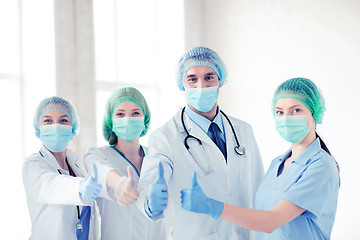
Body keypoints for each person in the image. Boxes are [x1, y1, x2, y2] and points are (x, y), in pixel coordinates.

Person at [180, 77, 340, 240]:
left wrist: (211, 206)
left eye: (296, 110)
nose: (286, 118)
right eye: (280, 112)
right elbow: (259, 220)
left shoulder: (321, 166)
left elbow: (271, 221)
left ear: (314, 112)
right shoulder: (277, 163)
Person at [136, 46, 264, 239]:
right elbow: (151, 181)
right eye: (192, 79)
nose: (201, 85)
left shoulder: (243, 131)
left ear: (220, 80)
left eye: (209, 77)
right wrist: (151, 202)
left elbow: (258, 189)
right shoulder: (165, 137)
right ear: (183, 84)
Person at [83, 87, 170, 240]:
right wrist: (119, 183)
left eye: (135, 113)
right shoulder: (97, 155)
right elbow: (102, 171)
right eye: (120, 114)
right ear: (110, 120)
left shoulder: (158, 156)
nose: (128, 119)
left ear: (145, 118)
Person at [22, 96, 102, 240]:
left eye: (63, 120)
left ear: (73, 128)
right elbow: (51, 184)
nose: (56, 126)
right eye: (48, 121)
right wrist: (80, 187)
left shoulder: (77, 165)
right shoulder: (33, 164)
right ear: (38, 128)